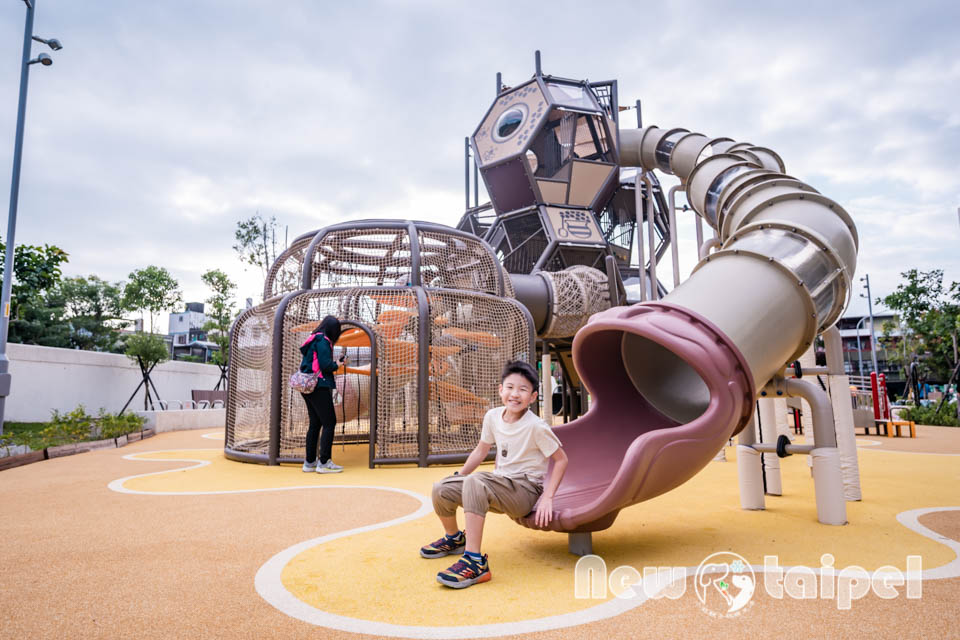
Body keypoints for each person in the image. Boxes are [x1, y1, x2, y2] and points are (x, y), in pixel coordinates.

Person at [420, 360, 569, 589]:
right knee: (442, 488)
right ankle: (454, 538)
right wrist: (458, 476)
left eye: (523, 389)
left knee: (476, 480)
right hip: (500, 484)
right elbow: (481, 451)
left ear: (532, 397)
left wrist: (547, 497)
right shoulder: (492, 416)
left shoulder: (536, 427)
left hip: (524, 490)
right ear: (500, 390)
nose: (515, 394)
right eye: (510, 387)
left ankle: (475, 562)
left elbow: (561, 460)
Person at [299, 315, 346, 474]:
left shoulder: (312, 338)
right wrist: (337, 364)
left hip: (307, 386)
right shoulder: (323, 340)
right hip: (319, 385)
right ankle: (324, 462)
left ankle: (309, 462)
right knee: (329, 422)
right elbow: (325, 365)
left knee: (315, 423)